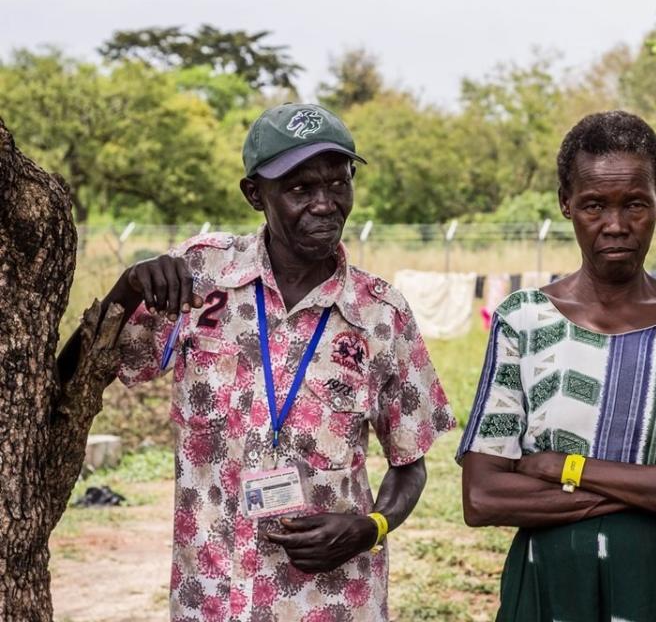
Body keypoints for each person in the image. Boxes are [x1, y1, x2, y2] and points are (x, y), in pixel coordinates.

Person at [58, 103, 456, 621]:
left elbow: (411, 466)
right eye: (299, 189)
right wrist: (127, 288)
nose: (325, 204)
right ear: (254, 195)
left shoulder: (381, 315)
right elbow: (70, 377)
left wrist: (372, 526)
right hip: (213, 598)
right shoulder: (199, 279)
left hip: (332, 602)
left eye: (339, 183)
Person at [458, 111, 656, 622]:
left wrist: (562, 467)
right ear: (566, 204)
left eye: (635, 205)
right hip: (551, 587)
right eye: (594, 205)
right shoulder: (524, 320)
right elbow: (484, 496)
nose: (616, 226)